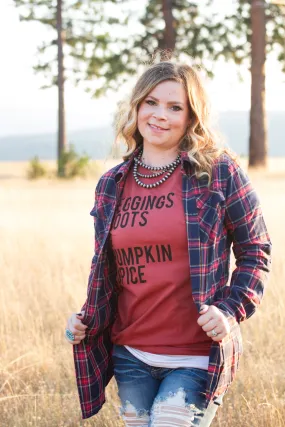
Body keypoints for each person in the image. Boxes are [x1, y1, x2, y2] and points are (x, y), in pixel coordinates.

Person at [65, 59, 272, 427]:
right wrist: (85, 320)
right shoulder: (112, 184)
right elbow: (109, 270)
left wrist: (229, 310)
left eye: (175, 107)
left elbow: (256, 251)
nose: (160, 115)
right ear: (137, 106)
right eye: (151, 102)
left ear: (191, 117)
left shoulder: (218, 172)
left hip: (195, 355)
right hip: (131, 354)